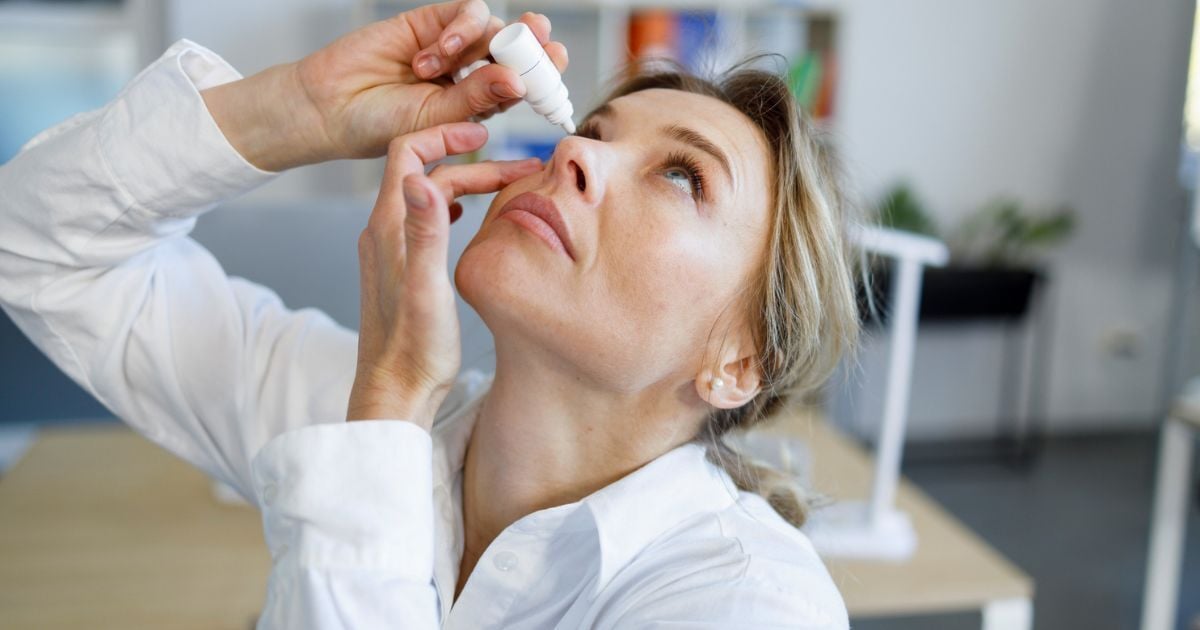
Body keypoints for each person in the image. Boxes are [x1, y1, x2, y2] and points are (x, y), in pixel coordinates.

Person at [0, 0, 859, 627]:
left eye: (682, 176)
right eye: (592, 129)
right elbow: (34, 242)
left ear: (739, 362)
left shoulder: (750, 605)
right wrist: (299, 112)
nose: (577, 154)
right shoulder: (366, 410)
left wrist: (389, 401)